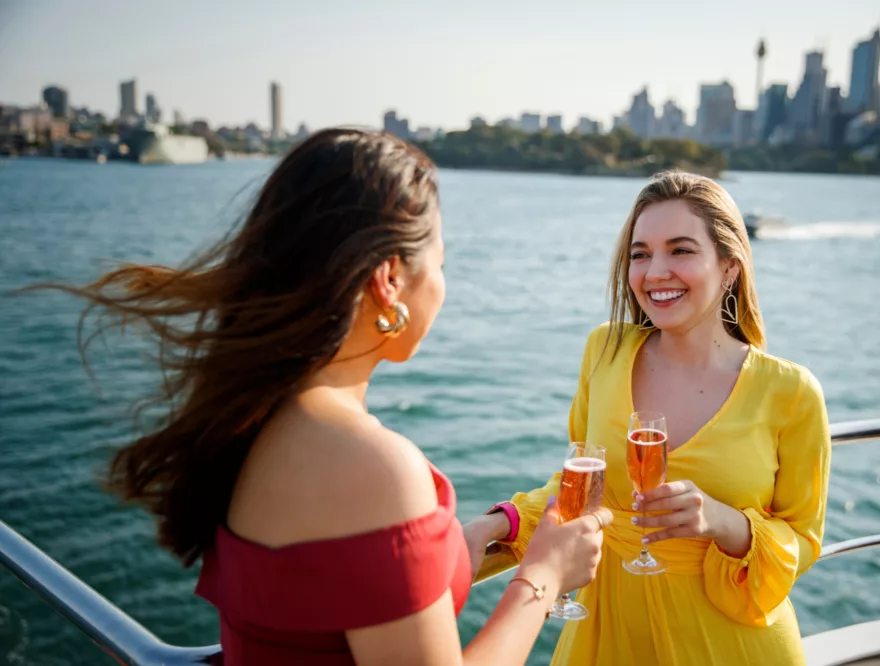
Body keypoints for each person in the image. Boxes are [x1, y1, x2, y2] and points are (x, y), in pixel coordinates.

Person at [42, 129, 612, 665]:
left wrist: (492, 531)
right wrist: (544, 576)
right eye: (441, 263)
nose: (443, 284)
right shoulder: (372, 467)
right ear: (389, 280)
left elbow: (351, 587)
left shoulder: (254, 418)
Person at [466, 171, 831, 665]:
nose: (655, 271)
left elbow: (803, 539)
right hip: (604, 634)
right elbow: (579, 489)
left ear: (729, 267)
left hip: (729, 645)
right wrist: (496, 525)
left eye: (680, 250)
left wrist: (725, 523)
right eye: (640, 254)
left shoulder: (792, 392)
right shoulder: (604, 351)